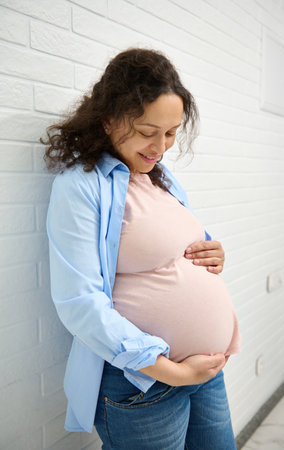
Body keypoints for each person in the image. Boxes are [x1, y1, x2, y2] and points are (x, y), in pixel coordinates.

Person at [43, 48, 241, 449]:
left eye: (171, 132)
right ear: (109, 118)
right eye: (148, 132)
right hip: (145, 382)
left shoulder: (159, 178)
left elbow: (176, 251)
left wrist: (212, 254)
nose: (161, 146)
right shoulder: (80, 186)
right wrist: (171, 371)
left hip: (205, 372)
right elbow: (79, 302)